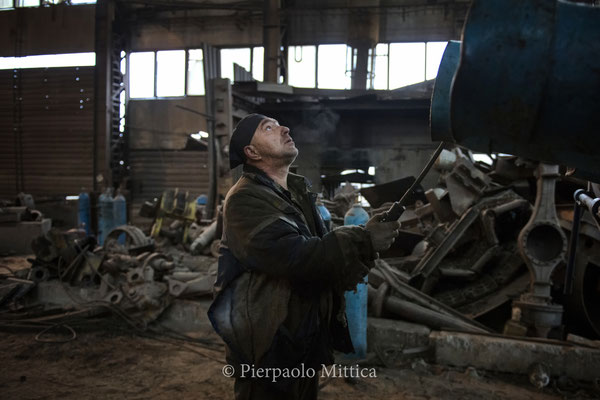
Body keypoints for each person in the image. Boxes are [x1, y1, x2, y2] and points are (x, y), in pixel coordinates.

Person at [208, 114, 400, 400]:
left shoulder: (297, 194)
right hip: (266, 346)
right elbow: (295, 256)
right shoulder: (244, 199)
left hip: (300, 339)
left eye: (280, 124)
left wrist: (366, 236)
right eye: (269, 128)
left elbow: (323, 253)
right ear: (252, 152)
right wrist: (364, 238)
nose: (284, 128)